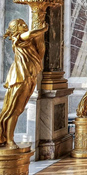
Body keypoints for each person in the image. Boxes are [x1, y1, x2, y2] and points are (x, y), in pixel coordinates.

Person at [0, 19, 48, 149]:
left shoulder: (27, 41)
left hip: (28, 77)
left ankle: (8, 137)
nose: (24, 25)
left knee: (19, 109)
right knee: (13, 110)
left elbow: (40, 51)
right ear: (15, 30)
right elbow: (32, 33)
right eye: (20, 24)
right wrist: (43, 29)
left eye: (23, 23)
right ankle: (9, 140)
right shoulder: (19, 38)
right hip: (19, 77)